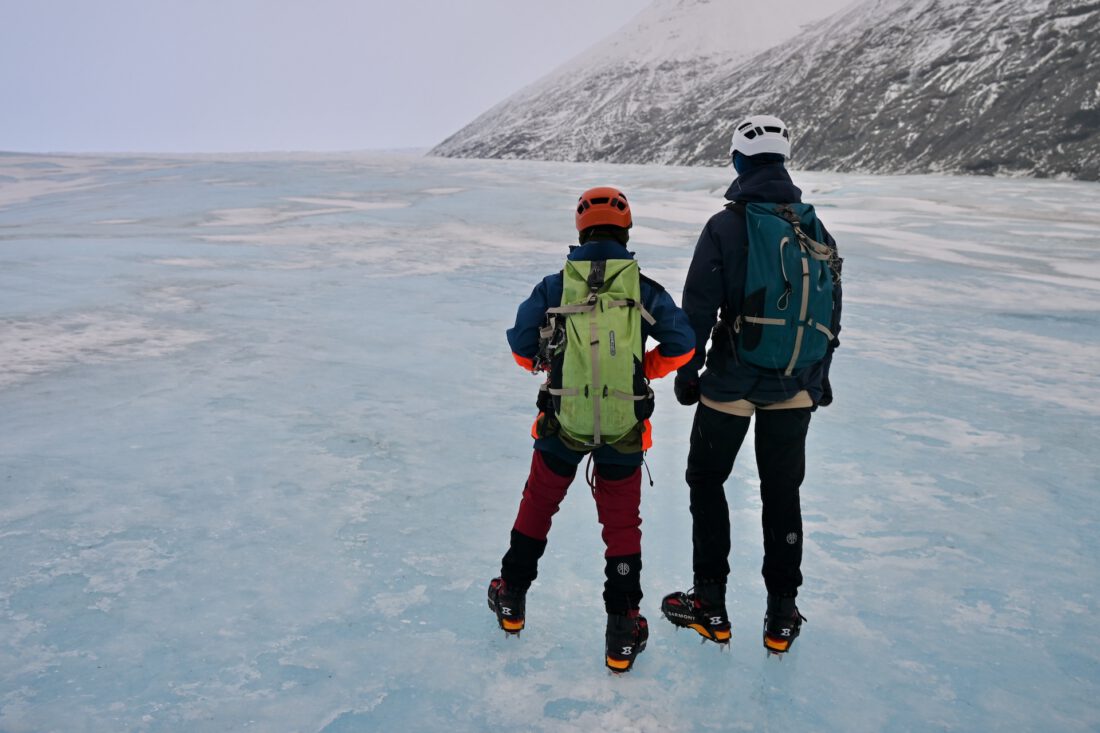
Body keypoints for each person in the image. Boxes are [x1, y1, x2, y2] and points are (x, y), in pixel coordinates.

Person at [488, 186, 695, 673]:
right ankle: (622, 632)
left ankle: (512, 600)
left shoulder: (555, 286)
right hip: (624, 424)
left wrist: (549, 363)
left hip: (562, 422)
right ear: (626, 230)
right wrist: (646, 366)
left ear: (580, 229)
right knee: (621, 526)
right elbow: (682, 345)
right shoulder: (643, 288)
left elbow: (521, 348)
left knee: (538, 506)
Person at [659, 115, 843, 655]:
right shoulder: (814, 225)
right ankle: (781, 614)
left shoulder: (726, 226)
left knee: (707, 479)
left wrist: (688, 374)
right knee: (782, 493)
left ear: (738, 162)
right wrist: (819, 377)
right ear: (784, 162)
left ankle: (709, 603)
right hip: (797, 383)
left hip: (734, 379)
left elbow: (697, 308)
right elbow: (833, 306)